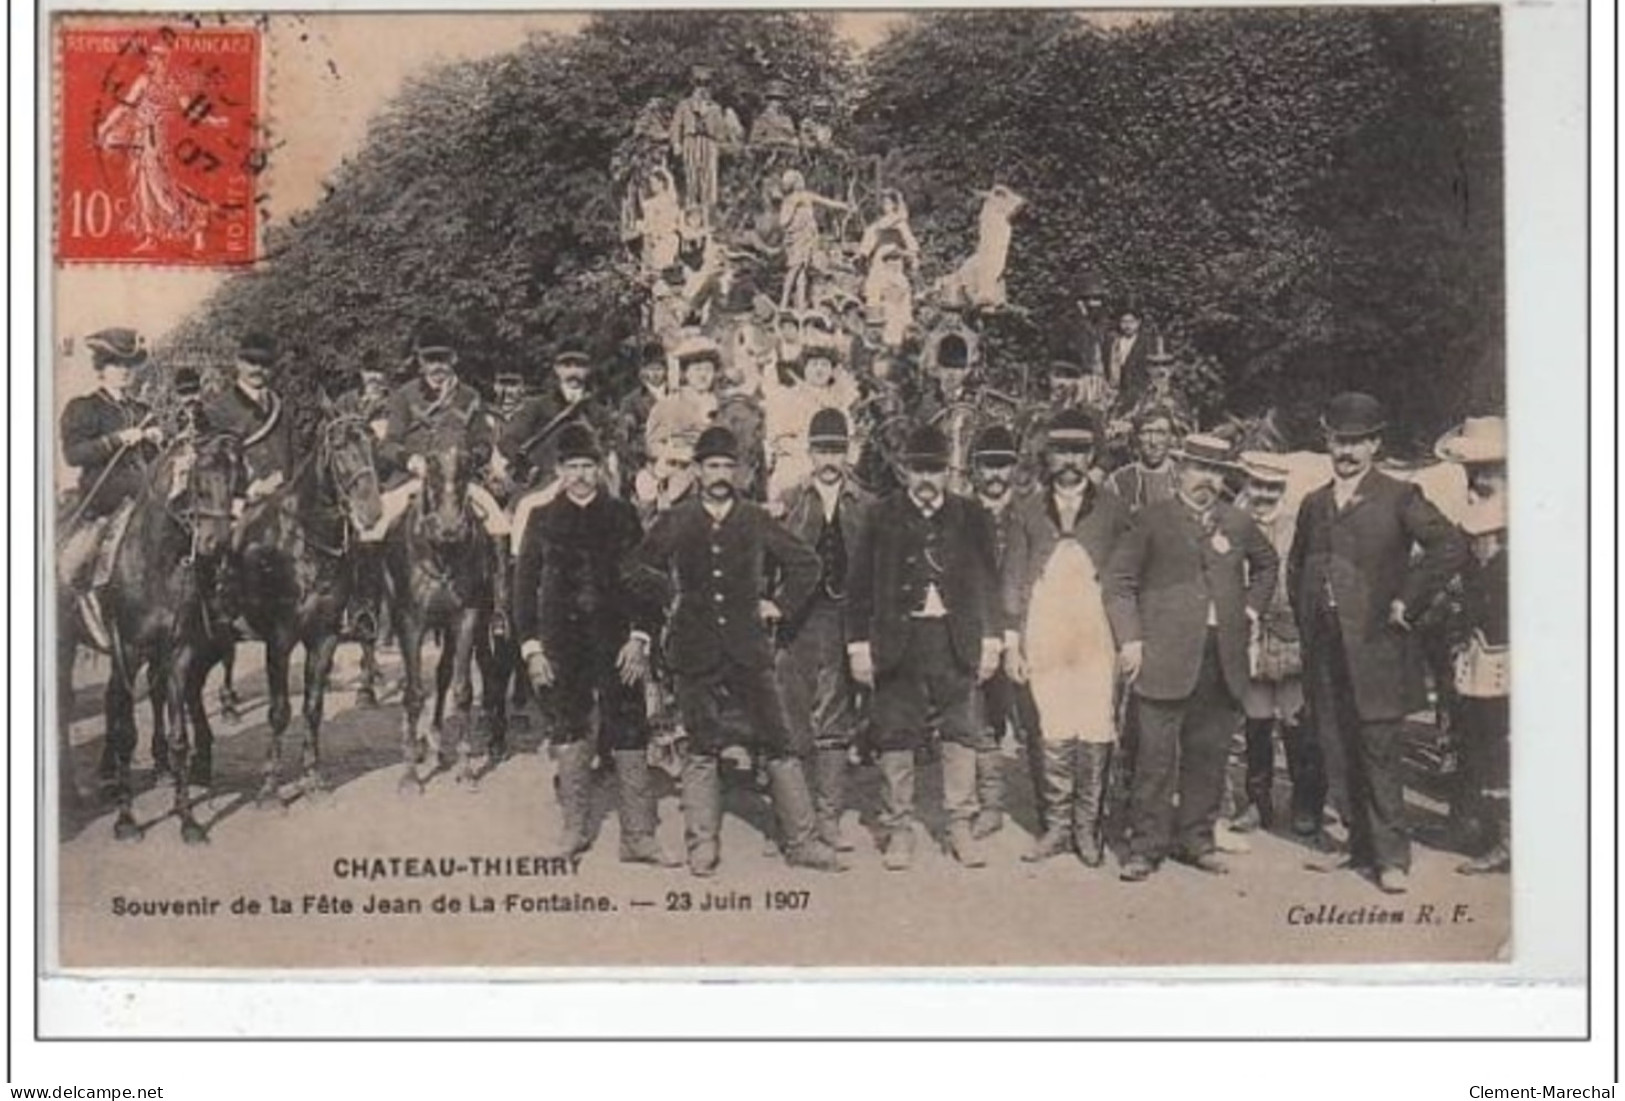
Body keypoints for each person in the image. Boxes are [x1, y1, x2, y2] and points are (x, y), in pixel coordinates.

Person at [623, 425, 843, 876]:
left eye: (728, 466)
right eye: (712, 466)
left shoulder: (756, 518)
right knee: (701, 746)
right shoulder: (677, 519)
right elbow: (633, 566)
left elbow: (807, 564)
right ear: (698, 471)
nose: (721, 474)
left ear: (740, 472)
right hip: (694, 649)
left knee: (778, 741)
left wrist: (778, 605)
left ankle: (801, 842)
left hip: (749, 649)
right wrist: (670, 594)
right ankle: (702, 843)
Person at [1288, 392, 1467, 894]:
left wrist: (1406, 603)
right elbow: (1296, 564)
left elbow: (1449, 547)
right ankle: (1355, 844)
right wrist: (1305, 618)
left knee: (1379, 749)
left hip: (1376, 647)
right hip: (1323, 648)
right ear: (1326, 440)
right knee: (1335, 745)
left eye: (1355, 442)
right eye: (1337, 440)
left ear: (1373, 444)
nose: (1345, 451)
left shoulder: (1399, 495)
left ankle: (1392, 858)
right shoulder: (1313, 502)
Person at [1105, 433, 1279, 882]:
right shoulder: (1150, 519)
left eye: (1218, 472)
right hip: (1162, 656)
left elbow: (1268, 564)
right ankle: (1146, 847)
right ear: (1180, 468)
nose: (1209, 480)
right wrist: (1130, 640)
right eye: (1201, 468)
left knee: (1209, 753)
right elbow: (1119, 583)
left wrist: (1250, 608)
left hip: (1221, 658)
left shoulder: (1236, 522)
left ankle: (1197, 841)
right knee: (1155, 759)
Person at [513, 422, 676, 868]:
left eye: (588, 465)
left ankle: (639, 837)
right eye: (572, 466)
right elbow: (523, 590)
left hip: (618, 643)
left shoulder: (622, 515)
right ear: (559, 471)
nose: (581, 474)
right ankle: (574, 829)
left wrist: (640, 638)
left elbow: (645, 583)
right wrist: (532, 649)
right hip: (561, 646)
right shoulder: (541, 518)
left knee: (629, 728)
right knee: (569, 728)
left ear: (600, 468)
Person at [846, 424, 1004, 870]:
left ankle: (959, 825)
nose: (927, 479)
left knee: (961, 731)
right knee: (896, 732)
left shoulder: (971, 515)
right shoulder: (880, 516)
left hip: (955, 640)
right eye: (918, 470)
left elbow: (989, 582)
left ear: (947, 473)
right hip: (898, 640)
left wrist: (992, 639)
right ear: (904, 471)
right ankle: (899, 828)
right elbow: (858, 588)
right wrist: (859, 646)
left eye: (935, 470)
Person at [1001, 408, 1131, 866]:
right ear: (1047, 455)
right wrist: (1011, 641)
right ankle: (1056, 827)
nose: (1070, 461)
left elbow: (1125, 579)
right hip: (1045, 627)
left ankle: (1086, 827)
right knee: (1053, 721)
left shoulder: (1115, 510)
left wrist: (1130, 638)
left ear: (1093, 454)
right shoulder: (1026, 510)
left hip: (1096, 628)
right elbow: (1013, 578)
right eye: (1061, 451)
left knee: (1095, 720)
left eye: (1079, 451)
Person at [358, 322, 512, 629]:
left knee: (499, 522)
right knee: (372, 528)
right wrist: (410, 459)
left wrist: (471, 460)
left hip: (459, 481)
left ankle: (499, 606)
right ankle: (368, 609)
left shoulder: (469, 396)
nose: (437, 366)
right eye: (430, 359)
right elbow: (388, 444)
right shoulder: (404, 396)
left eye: (442, 358)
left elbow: (483, 440)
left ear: (453, 359)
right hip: (414, 479)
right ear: (419, 361)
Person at [774, 409, 873, 851]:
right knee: (792, 712)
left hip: (843, 615)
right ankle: (797, 819)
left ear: (848, 452)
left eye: (837, 449)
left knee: (835, 713)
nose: (829, 459)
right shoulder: (791, 497)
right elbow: (769, 557)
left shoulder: (865, 503)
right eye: (822, 449)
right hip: (798, 617)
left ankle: (829, 816)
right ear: (809, 453)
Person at [1229, 452, 1326, 838]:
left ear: (1282, 490)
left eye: (1273, 487)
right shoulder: (1232, 525)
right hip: (1249, 635)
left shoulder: (1295, 526)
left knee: (1296, 720)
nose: (1264, 494)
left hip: (1290, 633)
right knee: (1256, 720)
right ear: (1246, 486)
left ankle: (1306, 803)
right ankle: (1257, 802)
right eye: (1258, 485)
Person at [57, 328, 164, 649]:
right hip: (105, 503)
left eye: (130, 366)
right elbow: (73, 454)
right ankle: (85, 612)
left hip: (147, 502)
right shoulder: (84, 407)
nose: (126, 372)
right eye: (118, 365)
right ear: (102, 369)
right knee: (72, 567)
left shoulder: (144, 411)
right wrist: (117, 439)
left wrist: (160, 443)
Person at [965, 424, 1042, 840]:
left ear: (1015, 468)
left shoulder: (1032, 514)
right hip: (976, 634)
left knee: (1035, 720)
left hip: (1027, 637)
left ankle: (1049, 811)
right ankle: (990, 806)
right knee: (980, 722)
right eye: (987, 466)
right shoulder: (959, 513)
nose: (995, 475)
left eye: (1003, 465)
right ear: (974, 469)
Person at [1448, 494, 1510, 875]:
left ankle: (1505, 840)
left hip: (1502, 667)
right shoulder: (1478, 569)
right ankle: (1491, 832)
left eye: (1482, 537)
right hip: (1481, 665)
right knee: (1485, 747)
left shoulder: (1505, 572)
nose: (1476, 544)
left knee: (1500, 748)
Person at [501, 345, 620, 496]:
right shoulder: (537, 406)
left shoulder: (599, 412)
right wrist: (528, 467)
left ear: (588, 371)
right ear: (557, 369)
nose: (573, 371)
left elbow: (612, 446)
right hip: (544, 481)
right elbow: (508, 440)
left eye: (580, 366)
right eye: (567, 365)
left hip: (588, 483)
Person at [763, 337, 860, 503]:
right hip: (798, 460)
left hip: (835, 461)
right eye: (814, 364)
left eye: (824, 365)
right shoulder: (788, 397)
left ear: (831, 371)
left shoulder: (840, 400)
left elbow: (850, 437)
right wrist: (806, 453)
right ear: (805, 369)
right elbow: (779, 439)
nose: (819, 369)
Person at [778, 168, 851, 310]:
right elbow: (783, 221)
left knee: (802, 271)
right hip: (797, 239)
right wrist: (795, 207)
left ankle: (800, 305)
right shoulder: (791, 201)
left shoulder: (805, 196)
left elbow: (825, 201)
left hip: (808, 238)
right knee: (794, 269)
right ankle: (783, 303)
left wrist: (843, 206)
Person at [669, 66, 729, 212]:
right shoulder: (684, 105)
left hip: (709, 143)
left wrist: (720, 145)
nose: (702, 89)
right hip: (690, 141)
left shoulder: (715, 108)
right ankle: (692, 209)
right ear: (693, 85)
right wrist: (676, 143)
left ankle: (709, 211)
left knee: (709, 177)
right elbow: (676, 125)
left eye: (705, 84)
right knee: (691, 176)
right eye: (698, 84)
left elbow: (721, 131)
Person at [615, 339, 670, 496]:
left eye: (658, 369)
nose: (654, 374)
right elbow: (624, 439)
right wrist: (642, 461)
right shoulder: (632, 401)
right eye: (649, 369)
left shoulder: (676, 395)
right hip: (644, 462)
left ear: (666, 370)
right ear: (642, 371)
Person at [1104, 404, 1180, 514]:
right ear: (1135, 437)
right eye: (1146, 432)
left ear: (1171, 437)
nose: (1153, 441)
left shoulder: (1182, 479)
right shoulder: (1118, 482)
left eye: (1161, 433)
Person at [1102, 303, 1151, 404]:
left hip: (1137, 390)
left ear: (1138, 323)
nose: (1127, 325)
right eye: (1124, 322)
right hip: (1115, 389)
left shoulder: (1146, 343)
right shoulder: (1112, 342)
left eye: (1131, 322)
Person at [748, 80, 800, 148]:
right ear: (768, 102)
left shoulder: (788, 118)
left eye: (781, 100)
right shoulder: (762, 119)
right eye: (773, 99)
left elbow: (796, 137)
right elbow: (754, 140)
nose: (777, 103)